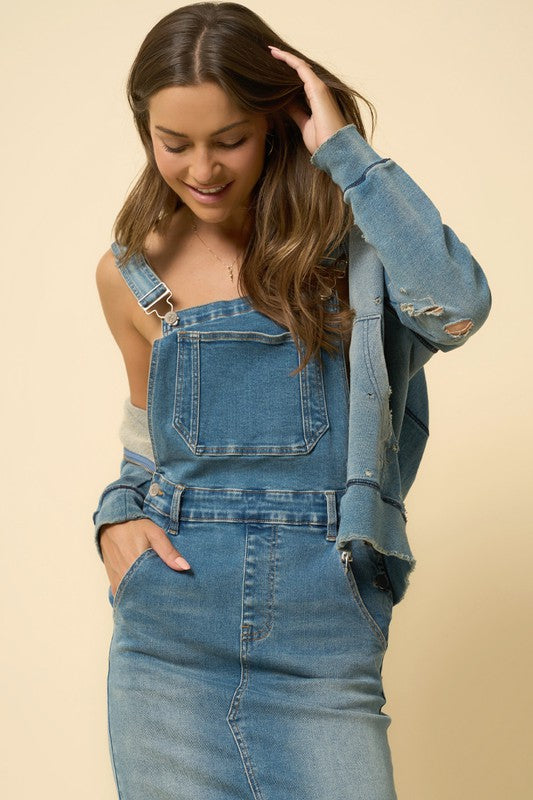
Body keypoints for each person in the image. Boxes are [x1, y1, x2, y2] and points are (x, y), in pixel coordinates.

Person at [92, 3, 492, 799]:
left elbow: (457, 307)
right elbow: (145, 437)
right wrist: (114, 517)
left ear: (277, 122)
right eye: (174, 143)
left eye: (228, 139)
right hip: (169, 637)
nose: (202, 169)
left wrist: (344, 152)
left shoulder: (358, 252)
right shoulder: (132, 272)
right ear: (146, 132)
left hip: (323, 634)